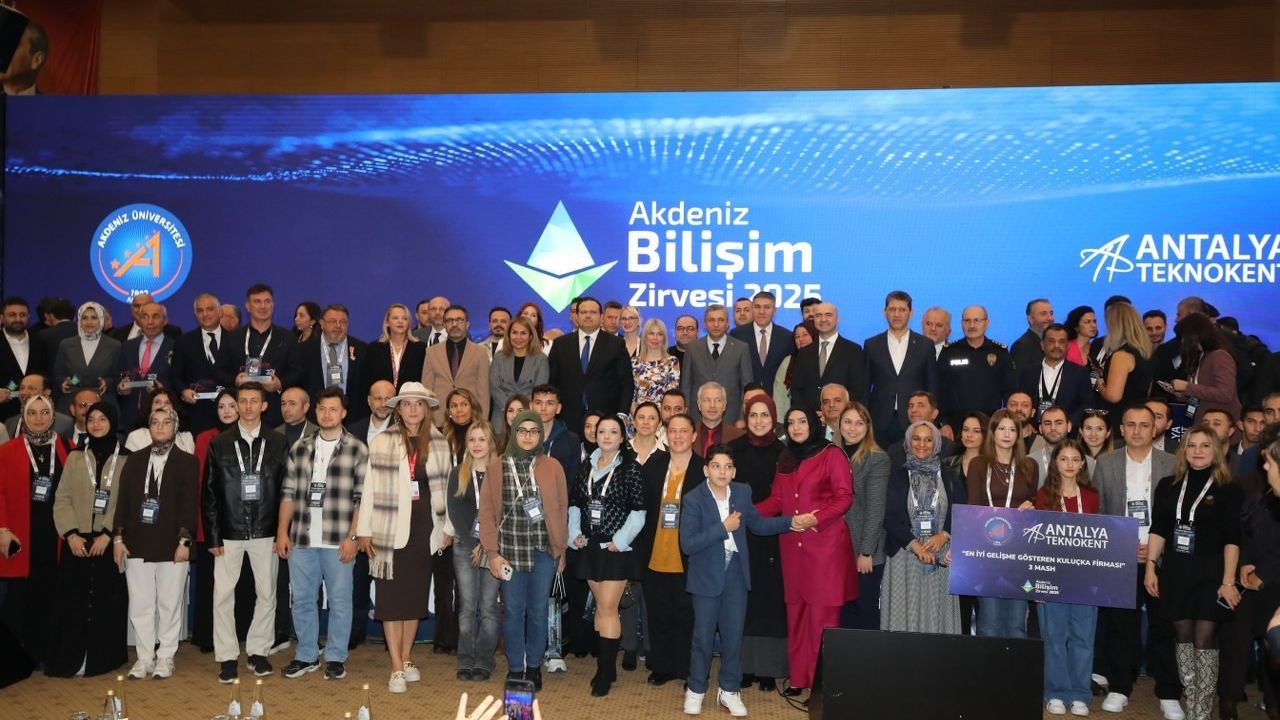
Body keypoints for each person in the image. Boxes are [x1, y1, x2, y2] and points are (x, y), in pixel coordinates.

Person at [680, 444, 794, 717]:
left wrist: (790, 522)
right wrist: (723, 528)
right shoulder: (694, 498)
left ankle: (729, 690)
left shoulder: (742, 493)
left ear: (734, 471)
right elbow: (688, 544)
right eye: (716, 466)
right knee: (703, 638)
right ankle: (696, 689)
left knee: (733, 637)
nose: (722, 472)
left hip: (736, 576)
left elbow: (758, 524)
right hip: (706, 577)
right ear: (706, 470)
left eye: (728, 467)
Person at [355, 381, 448, 693]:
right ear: (398, 409)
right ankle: (395, 666)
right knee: (392, 602)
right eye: (406, 404)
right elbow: (369, 489)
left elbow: (446, 489)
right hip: (388, 530)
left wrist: (447, 528)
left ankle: (407, 658)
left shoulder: (439, 442)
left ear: (426, 409)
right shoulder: (382, 441)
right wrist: (364, 530)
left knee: (414, 600)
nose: (413, 409)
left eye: (418, 404)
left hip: (425, 530)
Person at [756, 407, 856, 697]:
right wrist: (744, 512)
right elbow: (777, 500)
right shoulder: (786, 457)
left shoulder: (831, 454)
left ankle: (821, 683)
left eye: (802, 422)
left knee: (823, 620)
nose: (796, 427)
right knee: (797, 616)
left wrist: (816, 518)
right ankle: (799, 678)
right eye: (791, 423)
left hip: (825, 549)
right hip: (792, 549)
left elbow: (844, 498)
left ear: (814, 424)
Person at [1145, 426, 1243, 720]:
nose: (1197, 451)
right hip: (1176, 571)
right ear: (1183, 450)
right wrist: (1151, 566)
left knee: (1204, 639)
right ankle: (1192, 699)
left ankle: (1202, 711)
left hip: (1211, 573)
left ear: (1217, 451)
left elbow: (1233, 539)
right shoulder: (1168, 485)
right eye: (1191, 445)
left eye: (1204, 445)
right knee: (1182, 636)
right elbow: (1159, 529)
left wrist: (1228, 581)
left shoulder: (1229, 489)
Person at [1093, 405, 1183, 717]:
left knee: (1163, 626)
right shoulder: (1106, 463)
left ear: (1155, 429)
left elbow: (1179, 514)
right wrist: (1122, 545)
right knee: (1121, 627)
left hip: (1162, 558)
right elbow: (1100, 512)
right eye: (1130, 424)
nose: (1137, 430)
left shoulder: (1172, 463)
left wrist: (1155, 550)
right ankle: (1120, 687)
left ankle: (1168, 692)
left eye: (1144, 425)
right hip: (1122, 557)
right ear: (1121, 429)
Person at [275, 386, 367, 681]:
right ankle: (306, 655)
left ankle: (336, 657)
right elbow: (287, 493)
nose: (327, 414)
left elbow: (362, 499)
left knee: (340, 601)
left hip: (338, 539)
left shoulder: (357, 449)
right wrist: (282, 532)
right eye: (322, 409)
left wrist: (353, 537)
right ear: (315, 411)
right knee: (302, 599)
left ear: (343, 413)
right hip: (302, 538)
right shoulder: (300, 448)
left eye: (333, 409)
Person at [204, 382, 290, 683]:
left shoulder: (278, 442)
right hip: (229, 530)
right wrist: (213, 536)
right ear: (237, 405)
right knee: (222, 595)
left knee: (267, 593)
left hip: (266, 529)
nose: (249, 406)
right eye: (243, 401)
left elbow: (286, 490)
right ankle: (227, 656)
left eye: (255, 401)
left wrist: (282, 531)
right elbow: (210, 493)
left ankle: (258, 651)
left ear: (264, 406)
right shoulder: (220, 443)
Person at [478, 410, 568, 690]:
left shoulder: (552, 466)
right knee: (514, 612)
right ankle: (516, 667)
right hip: (509, 553)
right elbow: (486, 514)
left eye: (534, 431)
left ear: (540, 434)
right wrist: (492, 554)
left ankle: (534, 667)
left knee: (539, 612)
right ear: (513, 432)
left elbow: (561, 509)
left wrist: (561, 551)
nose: (528, 436)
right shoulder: (497, 467)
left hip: (543, 552)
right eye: (522, 430)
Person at [112, 404, 198, 679]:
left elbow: (189, 506)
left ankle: (166, 657)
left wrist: (185, 541)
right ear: (148, 427)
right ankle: (144, 657)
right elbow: (122, 503)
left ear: (175, 427)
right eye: (155, 422)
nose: (160, 427)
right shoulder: (134, 460)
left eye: (166, 422)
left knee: (169, 603)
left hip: (173, 543)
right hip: (136, 541)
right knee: (141, 604)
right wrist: (118, 538)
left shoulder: (187, 462)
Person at [46, 402, 128, 677]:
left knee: (107, 604)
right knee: (74, 602)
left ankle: (101, 658)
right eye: (91, 419)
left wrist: (108, 533)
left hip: (109, 542)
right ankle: (74, 657)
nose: (96, 424)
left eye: (102, 419)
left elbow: (126, 502)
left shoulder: (127, 458)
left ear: (113, 421)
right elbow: (62, 499)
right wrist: (70, 534)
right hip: (77, 542)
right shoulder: (75, 457)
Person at [568, 414, 646, 696]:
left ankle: (604, 673)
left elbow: (639, 511)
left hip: (616, 549)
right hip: (590, 546)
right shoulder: (585, 466)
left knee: (609, 607)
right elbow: (575, 503)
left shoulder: (630, 468)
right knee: (601, 608)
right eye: (602, 431)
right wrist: (574, 533)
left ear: (622, 437)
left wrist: (620, 540)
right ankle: (607, 666)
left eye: (613, 432)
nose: (607, 436)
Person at [0, 394, 71, 666]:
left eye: (44, 412)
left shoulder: (68, 447)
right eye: (32, 413)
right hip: (19, 533)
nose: (38, 418)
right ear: (23, 416)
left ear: (53, 416)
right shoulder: (6, 451)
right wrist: (2, 529)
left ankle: (44, 652)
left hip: (56, 534)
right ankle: (16, 656)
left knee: (51, 592)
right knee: (19, 597)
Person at [1034, 438, 1101, 716]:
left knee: (1083, 638)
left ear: (1083, 463)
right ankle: (1055, 692)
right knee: (1054, 637)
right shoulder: (1043, 496)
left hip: (1086, 579)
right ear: (1055, 463)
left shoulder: (1092, 497)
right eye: (1064, 459)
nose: (1070, 464)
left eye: (1075, 459)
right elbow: (1036, 542)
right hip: (1052, 577)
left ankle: (1080, 694)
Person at [634, 413, 702, 687]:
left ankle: (686, 667)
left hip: (689, 556)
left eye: (683, 431)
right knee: (658, 613)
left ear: (693, 436)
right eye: (673, 431)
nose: (678, 436)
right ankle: (662, 666)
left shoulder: (703, 469)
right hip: (655, 552)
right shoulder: (653, 465)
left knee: (687, 616)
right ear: (665, 434)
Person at [728, 396, 790, 691]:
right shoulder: (734, 449)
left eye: (765, 415)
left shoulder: (784, 453)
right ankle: (745, 667)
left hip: (773, 535)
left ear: (774, 418)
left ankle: (768, 669)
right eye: (753, 415)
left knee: (770, 601)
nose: (759, 421)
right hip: (740, 532)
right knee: (743, 600)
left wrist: (757, 515)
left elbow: (786, 496)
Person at [881, 420, 965, 633]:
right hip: (905, 556)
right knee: (905, 617)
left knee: (938, 616)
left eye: (928, 440)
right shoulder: (897, 475)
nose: (922, 444)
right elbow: (889, 517)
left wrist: (945, 535)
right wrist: (915, 545)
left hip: (941, 554)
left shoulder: (950, 475)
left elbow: (961, 512)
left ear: (936, 444)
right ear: (908, 443)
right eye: (916, 439)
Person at [1223, 425, 1280, 720]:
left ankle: (1273, 702)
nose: (1266, 459)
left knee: (1273, 642)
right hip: (1245, 576)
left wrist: (1265, 575)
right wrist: (1244, 564)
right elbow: (1238, 530)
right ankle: (1228, 699)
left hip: (1274, 579)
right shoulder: (1245, 484)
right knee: (1237, 640)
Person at [965, 409, 1038, 638]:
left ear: (1019, 434)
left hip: (1019, 552)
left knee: (1017, 623)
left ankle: (1015, 663)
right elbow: (973, 509)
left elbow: (1034, 504)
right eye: (1002, 428)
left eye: (1012, 429)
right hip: (987, 550)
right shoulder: (978, 464)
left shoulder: (1030, 465)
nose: (1007, 434)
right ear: (993, 432)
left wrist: (1032, 507)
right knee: (990, 621)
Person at [446, 420, 502, 682]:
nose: (477, 445)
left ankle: (484, 660)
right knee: (467, 607)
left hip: (494, 549)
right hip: (464, 548)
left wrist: (487, 544)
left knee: (489, 606)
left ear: (491, 442)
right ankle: (466, 659)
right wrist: (474, 544)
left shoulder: (501, 472)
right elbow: (456, 512)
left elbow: (504, 513)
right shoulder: (459, 472)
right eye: (472, 440)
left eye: (482, 439)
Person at [192, 388, 240, 653]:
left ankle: (237, 634)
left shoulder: (248, 435)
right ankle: (208, 636)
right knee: (210, 583)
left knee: (238, 583)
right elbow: (201, 483)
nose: (227, 411)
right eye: (222, 406)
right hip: (210, 523)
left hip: (239, 522)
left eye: (232, 405)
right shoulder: (204, 438)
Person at [215, 284, 301, 429]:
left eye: (267, 301)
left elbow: (298, 372)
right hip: (239, 412)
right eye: (257, 301)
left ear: (273, 305)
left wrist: (279, 383)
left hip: (275, 412)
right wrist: (235, 380)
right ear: (248, 306)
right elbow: (218, 371)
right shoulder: (231, 338)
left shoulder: (288, 338)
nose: (263, 306)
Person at [837, 403, 890, 630]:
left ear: (868, 426)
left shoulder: (876, 458)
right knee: (842, 612)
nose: (852, 428)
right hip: (836, 549)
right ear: (839, 424)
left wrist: (866, 552)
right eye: (848, 422)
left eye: (859, 423)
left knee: (865, 611)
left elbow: (875, 510)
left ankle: (869, 656)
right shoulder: (832, 453)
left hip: (863, 552)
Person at [547, 297, 634, 433]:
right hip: (567, 417)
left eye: (593, 312)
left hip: (605, 416)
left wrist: (622, 413)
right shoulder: (560, 344)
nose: (588, 316)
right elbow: (552, 381)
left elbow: (626, 382)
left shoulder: (616, 344)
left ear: (601, 317)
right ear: (576, 316)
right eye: (583, 312)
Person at [864, 290, 937, 447]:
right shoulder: (872, 345)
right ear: (885, 312)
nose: (897, 314)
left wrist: (933, 419)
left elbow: (931, 385)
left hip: (914, 420)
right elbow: (865, 385)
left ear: (911, 312)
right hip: (879, 420)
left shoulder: (925, 345)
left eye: (902, 309)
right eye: (892, 309)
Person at [937, 305, 1016, 437]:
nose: (971, 325)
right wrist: (943, 423)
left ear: (987, 323)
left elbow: (1010, 392)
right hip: (955, 427)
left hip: (990, 427)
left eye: (977, 320)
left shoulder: (1000, 353)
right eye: (967, 321)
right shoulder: (949, 352)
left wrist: (1006, 423)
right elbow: (939, 391)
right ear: (962, 324)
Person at [681, 305, 752, 425]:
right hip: (697, 418)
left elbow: (747, 387)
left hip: (731, 418)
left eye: (720, 320)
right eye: (711, 320)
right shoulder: (692, 348)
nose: (716, 324)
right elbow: (686, 386)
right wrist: (686, 417)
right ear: (705, 323)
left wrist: (742, 417)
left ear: (727, 323)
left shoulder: (741, 348)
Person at [790, 302, 867, 414]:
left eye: (828, 315)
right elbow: (797, 388)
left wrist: (834, 413)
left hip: (840, 417)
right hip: (810, 418)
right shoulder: (804, 352)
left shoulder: (853, 350)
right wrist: (808, 413)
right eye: (818, 315)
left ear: (837, 318)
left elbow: (857, 389)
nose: (823, 319)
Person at [298, 304, 369, 424]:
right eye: (332, 321)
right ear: (322, 323)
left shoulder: (362, 349)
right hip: (315, 419)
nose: (338, 326)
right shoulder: (304, 350)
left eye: (343, 322)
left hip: (351, 420)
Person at [422, 305, 491, 428]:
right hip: (439, 419)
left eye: (459, 320)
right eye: (450, 320)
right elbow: (426, 390)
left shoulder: (480, 353)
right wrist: (427, 422)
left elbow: (483, 392)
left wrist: (482, 424)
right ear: (445, 324)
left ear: (467, 324)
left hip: (470, 420)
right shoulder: (431, 352)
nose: (454, 324)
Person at [1168, 313, 1241, 427]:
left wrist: (1187, 387)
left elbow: (1225, 394)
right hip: (1204, 422)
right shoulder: (1200, 358)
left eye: (1183, 337)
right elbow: (1202, 394)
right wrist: (1182, 394)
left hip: (1221, 424)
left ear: (1193, 335)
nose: (1181, 342)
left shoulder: (1219, 356)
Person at [1018, 323, 1097, 427]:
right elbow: (1021, 401)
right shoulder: (1028, 372)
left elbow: (1087, 403)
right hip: (1033, 431)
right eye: (1051, 341)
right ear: (1042, 345)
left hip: (1068, 432)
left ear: (1068, 346)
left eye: (1062, 342)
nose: (1056, 345)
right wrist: (1026, 424)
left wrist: (1070, 422)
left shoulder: (1081, 373)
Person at [53, 302, 122, 415]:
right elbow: (58, 374)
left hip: (103, 402)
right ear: (79, 320)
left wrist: (107, 383)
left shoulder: (115, 345)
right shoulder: (66, 344)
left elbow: (119, 376)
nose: (89, 322)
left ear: (101, 319)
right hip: (72, 403)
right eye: (85, 318)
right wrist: (63, 382)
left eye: (94, 318)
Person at [172, 293, 226, 434]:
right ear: (195, 314)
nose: (205, 314)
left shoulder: (234, 339)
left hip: (228, 411)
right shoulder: (183, 341)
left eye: (210, 309)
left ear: (220, 312)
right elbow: (175, 375)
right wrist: (183, 390)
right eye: (200, 310)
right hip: (196, 412)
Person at [730, 291, 796, 395]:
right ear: (752, 309)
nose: (761, 312)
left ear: (774, 310)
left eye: (767, 307)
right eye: (757, 307)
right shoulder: (737, 335)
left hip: (776, 398)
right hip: (745, 397)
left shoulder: (787, 337)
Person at [1096, 302, 1155, 418]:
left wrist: (1100, 385)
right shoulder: (1147, 352)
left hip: (1120, 417)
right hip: (1140, 414)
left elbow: (1113, 396)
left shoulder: (1122, 355)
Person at [488, 316, 549, 427]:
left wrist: (521, 410)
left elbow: (539, 390)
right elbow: (494, 386)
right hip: (501, 414)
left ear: (530, 336)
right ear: (508, 335)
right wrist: (510, 408)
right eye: (514, 333)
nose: (518, 337)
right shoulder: (499, 357)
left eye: (523, 333)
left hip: (528, 414)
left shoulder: (541, 359)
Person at [1, 296, 49, 422]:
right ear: (2, 318)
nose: (18, 319)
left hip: (36, 415)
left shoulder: (40, 342)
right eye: (12, 315)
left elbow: (47, 374)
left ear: (29, 317)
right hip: (3, 414)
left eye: (22, 315)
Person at [366, 303, 428, 392]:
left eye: (404, 318)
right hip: (383, 398)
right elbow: (367, 380)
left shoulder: (420, 348)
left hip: (410, 398)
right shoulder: (374, 349)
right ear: (387, 322)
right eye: (395, 318)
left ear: (409, 323)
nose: (400, 321)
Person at [124, 388, 196, 454]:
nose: (162, 405)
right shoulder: (136, 436)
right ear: (150, 407)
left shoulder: (186, 437)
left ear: (174, 408)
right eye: (157, 402)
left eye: (167, 402)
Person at [631, 319, 681, 411]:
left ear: (664, 338)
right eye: (651, 333)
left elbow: (671, 395)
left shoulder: (672, 362)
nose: (655, 338)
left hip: (662, 415)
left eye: (659, 334)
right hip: (637, 416)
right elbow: (631, 396)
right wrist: (637, 416)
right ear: (645, 337)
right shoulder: (634, 362)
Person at [774, 320, 816, 423]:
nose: (801, 339)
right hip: (793, 420)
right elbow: (779, 394)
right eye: (797, 337)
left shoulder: (824, 360)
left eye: (805, 335)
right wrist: (781, 423)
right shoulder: (788, 361)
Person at [107, 292, 182, 343]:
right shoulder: (117, 334)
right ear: (131, 308)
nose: (141, 310)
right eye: (137, 306)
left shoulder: (173, 333)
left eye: (146, 305)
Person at [693, 382, 744, 456]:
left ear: (724, 405)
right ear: (699, 405)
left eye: (718, 400)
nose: (712, 405)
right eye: (707, 400)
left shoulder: (739, 436)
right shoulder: (688, 434)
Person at [1011, 298, 1055, 371]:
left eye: (1051, 313)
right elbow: (1020, 376)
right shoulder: (1022, 345)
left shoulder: (1054, 343)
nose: (1050, 318)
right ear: (1031, 319)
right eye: (1043, 314)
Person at [1065, 305, 1102, 373]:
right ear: (1076, 326)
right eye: (1087, 322)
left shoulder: (1096, 348)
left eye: (1094, 321)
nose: (1093, 325)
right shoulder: (1066, 348)